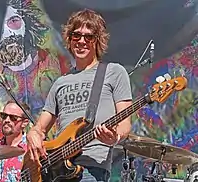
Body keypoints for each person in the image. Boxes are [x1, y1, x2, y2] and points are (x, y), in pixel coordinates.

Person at [27, 8, 132, 182]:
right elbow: (40, 128)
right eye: (76, 35)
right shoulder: (60, 82)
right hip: (56, 168)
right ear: (69, 38)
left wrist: (115, 137)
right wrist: (33, 134)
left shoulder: (114, 72)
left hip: (92, 167)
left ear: (97, 41)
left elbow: (125, 123)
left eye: (89, 37)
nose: (81, 41)